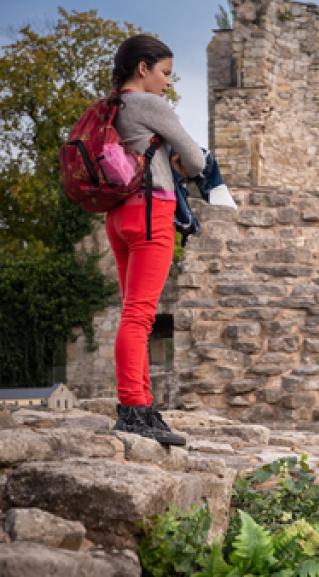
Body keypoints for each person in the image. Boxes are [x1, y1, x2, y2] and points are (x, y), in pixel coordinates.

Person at [107, 35, 206, 446]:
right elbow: (197, 160)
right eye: (164, 73)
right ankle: (133, 409)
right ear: (143, 68)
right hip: (152, 213)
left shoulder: (111, 106)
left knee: (134, 312)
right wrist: (181, 162)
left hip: (118, 215)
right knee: (140, 316)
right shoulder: (150, 105)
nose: (168, 82)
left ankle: (142, 406)